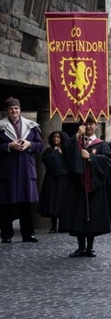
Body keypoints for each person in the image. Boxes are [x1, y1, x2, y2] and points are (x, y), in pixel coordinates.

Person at [60, 116, 111, 257]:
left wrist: (90, 157)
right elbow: (66, 153)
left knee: (92, 217)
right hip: (78, 185)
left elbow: (108, 161)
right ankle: (80, 247)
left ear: (95, 126)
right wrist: (77, 135)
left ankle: (90, 247)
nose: (88, 127)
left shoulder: (101, 145)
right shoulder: (77, 142)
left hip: (94, 186)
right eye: (86, 124)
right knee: (79, 216)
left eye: (91, 124)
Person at [0, 97, 42, 243]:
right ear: (7, 111)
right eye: (11, 109)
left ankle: (28, 234)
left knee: (27, 203)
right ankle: (6, 234)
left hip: (26, 169)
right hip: (8, 170)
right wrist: (8, 146)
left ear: (20, 110)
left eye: (16, 108)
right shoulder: (1, 127)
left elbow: (39, 146)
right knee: (7, 203)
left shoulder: (31, 126)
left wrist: (29, 144)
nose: (14, 111)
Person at [38, 131, 70, 233]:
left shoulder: (66, 151)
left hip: (64, 179)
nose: (56, 139)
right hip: (52, 179)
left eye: (58, 137)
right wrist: (56, 153)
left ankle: (63, 225)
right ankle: (53, 226)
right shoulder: (49, 151)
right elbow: (46, 160)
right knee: (52, 201)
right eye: (54, 137)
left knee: (63, 202)